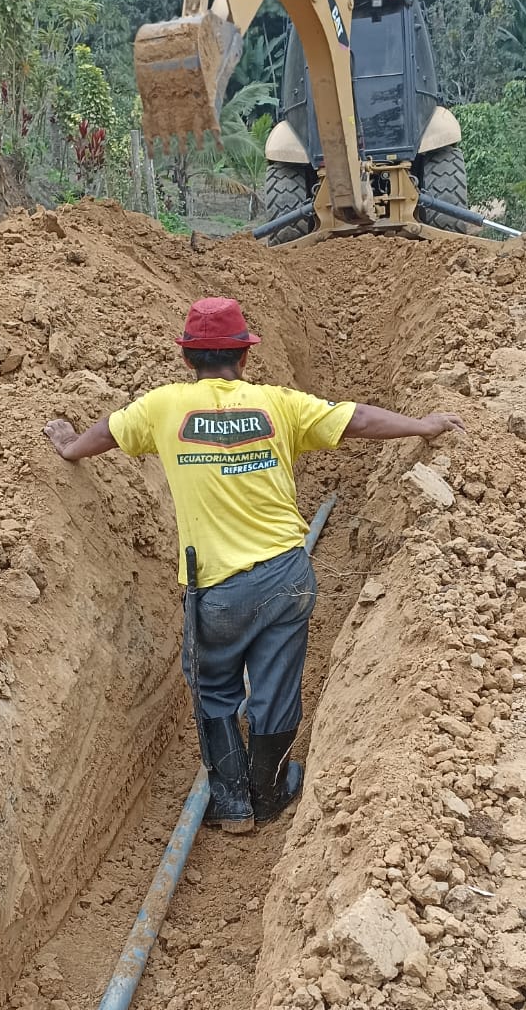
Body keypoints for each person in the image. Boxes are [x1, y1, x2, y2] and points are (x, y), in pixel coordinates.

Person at [44, 296, 465, 832]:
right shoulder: (277, 403)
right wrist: (422, 425)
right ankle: (269, 792)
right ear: (244, 356)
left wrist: (69, 447)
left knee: (214, 687)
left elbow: (108, 430)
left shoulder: (162, 407)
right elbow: (357, 418)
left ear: (187, 358)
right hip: (287, 575)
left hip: (217, 589)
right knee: (276, 685)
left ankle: (232, 804)